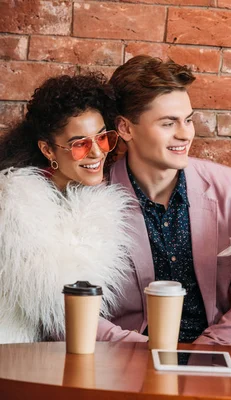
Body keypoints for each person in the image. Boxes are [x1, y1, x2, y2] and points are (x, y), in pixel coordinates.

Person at [105, 55, 231, 345]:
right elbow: (72, 307)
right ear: (125, 128)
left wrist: (204, 349)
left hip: (212, 351)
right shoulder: (93, 199)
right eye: (168, 123)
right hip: (126, 357)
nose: (185, 134)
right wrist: (144, 350)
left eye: (188, 120)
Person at [0, 73, 145, 343]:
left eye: (102, 138)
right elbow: (57, 305)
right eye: (80, 144)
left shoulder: (92, 200)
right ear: (48, 150)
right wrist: (127, 341)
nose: (97, 153)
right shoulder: (16, 203)